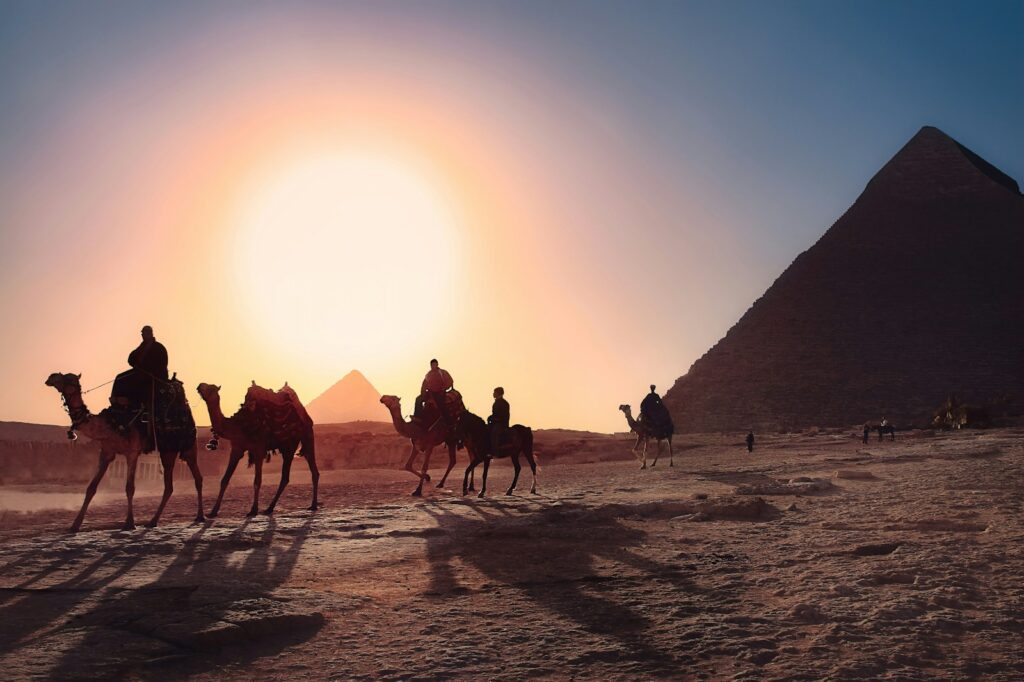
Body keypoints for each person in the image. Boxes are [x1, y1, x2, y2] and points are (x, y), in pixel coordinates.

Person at [111, 325, 168, 409]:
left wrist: (148, 370)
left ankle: (131, 402)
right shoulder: (142, 347)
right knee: (120, 377)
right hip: (141, 373)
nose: (143, 335)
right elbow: (131, 358)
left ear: (150, 333)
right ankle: (117, 401)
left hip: (155, 377)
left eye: (145, 333)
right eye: (142, 333)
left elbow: (162, 364)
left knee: (134, 381)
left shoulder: (159, 347)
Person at [420, 359, 454, 427]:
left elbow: (450, 381)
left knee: (441, 405)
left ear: (437, 364)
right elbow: (424, 386)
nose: (433, 366)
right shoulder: (428, 375)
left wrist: (444, 388)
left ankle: (448, 423)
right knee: (418, 400)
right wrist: (423, 393)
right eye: (432, 365)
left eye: (434, 364)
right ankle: (418, 418)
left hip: (440, 392)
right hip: (430, 393)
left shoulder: (442, 373)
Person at [489, 387, 510, 453]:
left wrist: (495, 419)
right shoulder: (496, 403)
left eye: (494, 392)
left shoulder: (504, 403)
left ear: (498, 393)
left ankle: (495, 449)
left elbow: (503, 416)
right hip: (495, 422)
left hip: (501, 424)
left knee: (495, 432)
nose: (493, 394)